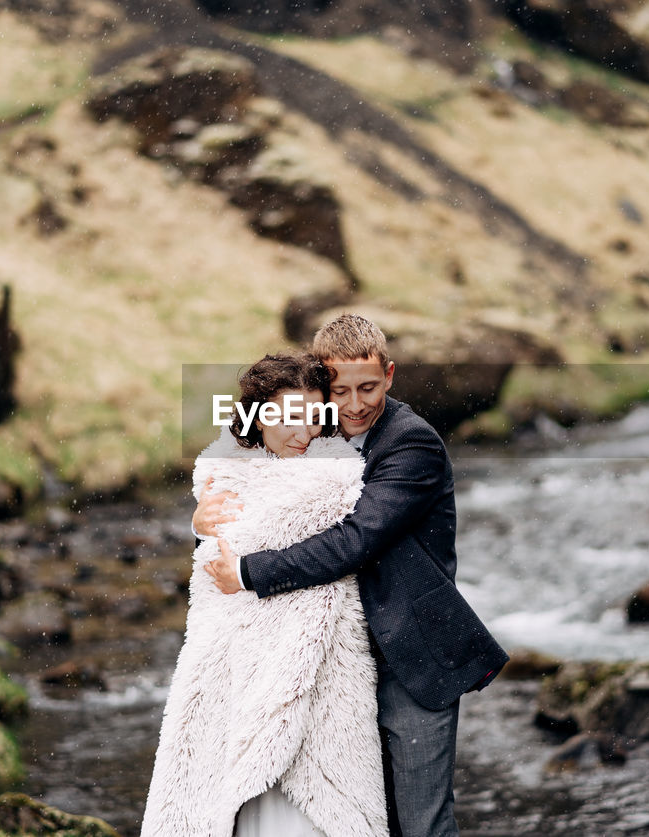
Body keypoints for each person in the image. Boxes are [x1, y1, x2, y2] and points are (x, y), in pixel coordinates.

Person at [200, 314, 509, 837]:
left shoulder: (413, 446)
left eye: (368, 387)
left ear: (389, 374)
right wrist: (205, 511)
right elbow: (258, 470)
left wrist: (249, 572)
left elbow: (357, 540)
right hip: (341, 664)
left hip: (411, 659)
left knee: (422, 826)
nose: (355, 404)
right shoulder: (317, 432)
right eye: (339, 390)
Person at [141, 353, 387, 837]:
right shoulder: (228, 472)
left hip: (310, 674)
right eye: (290, 417)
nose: (304, 432)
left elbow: (315, 551)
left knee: (298, 803)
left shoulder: (332, 475)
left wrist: (236, 553)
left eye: (315, 417)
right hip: (234, 670)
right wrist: (198, 523)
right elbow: (217, 562)